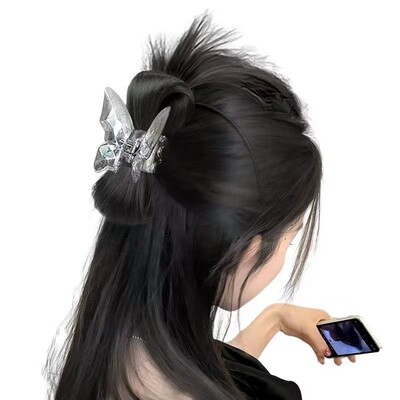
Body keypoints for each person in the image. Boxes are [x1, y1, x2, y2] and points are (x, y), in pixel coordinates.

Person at [44, 10, 356, 400]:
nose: (285, 255)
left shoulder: (122, 351)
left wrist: (275, 319)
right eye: (289, 239)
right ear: (248, 248)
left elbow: (204, 371)